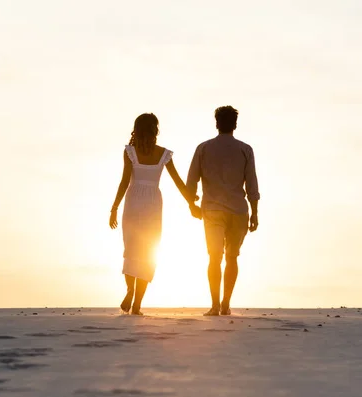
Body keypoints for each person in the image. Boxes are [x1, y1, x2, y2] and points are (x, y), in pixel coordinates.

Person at [110, 113, 200, 315]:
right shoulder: (164, 154)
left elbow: (124, 182)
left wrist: (114, 208)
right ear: (155, 130)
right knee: (148, 251)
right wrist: (191, 203)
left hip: (133, 202)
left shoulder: (130, 152)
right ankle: (137, 304)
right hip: (153, 204)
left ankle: (130, 289)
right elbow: (178, 182)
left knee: (131, 249)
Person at [186, 106, 260, 316]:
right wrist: (255, 213)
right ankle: (226, 303)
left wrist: (192, 204)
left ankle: (215, 305)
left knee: (214, 257)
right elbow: (251, 184)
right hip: (238, 210)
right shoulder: (245, 149)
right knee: (232, 257)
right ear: (235, 124)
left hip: (212, 210)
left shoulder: (204, 148)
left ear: (216, 123)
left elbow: (191, 181)